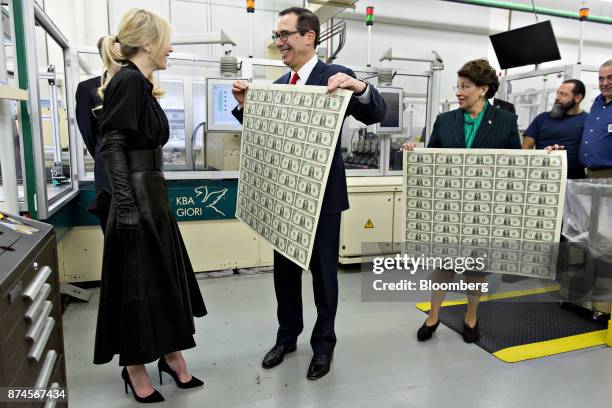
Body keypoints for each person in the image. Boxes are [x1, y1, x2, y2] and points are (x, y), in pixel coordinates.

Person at [231, 7, 386, 380]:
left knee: (323, 277)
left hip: (324, 199)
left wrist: (360, 87)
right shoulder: (282, 83)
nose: (279, 42)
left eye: (284, 34)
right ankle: (286, 338)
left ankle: (324, 345)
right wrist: (244, 106)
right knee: (283, 275)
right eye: (277, 35)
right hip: (284, 197)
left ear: (308, 36)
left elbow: (376, 111)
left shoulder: (335, 76)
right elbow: (265, 134)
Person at [93, 9, 206, 403]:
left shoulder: (139, 84)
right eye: (167, 41)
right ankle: (135, 366)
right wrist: (126, 204)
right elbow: (112, 145)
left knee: (161, 281)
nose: (170, 48)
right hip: (137, 198)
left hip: (151, 195)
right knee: (138, 287)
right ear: (147, 44)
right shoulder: (127, 81)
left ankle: (171, 355)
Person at [404, 59, 520, 343]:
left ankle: (471, 316)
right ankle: (433, 316)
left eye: (465, 86)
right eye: (457, 86)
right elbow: (432, 160)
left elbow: (518, 164)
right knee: (443, 263)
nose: (458, 92)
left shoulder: (505, 121)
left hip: (483, 207)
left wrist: (549, 158)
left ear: (483, 89)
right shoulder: (445, 120)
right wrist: (414, 152)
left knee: (475, 266)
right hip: (449, 205)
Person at [75, 37, 121, 231]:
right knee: (112, 225)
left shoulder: (136, 85)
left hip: (136, 166)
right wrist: (104, 155)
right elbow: (88, 133)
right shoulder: (88, 89)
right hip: (107, 166)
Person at [523, 79, 588, 179]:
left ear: (578, 97)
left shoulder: (588, 121)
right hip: (541, 177)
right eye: (557, 93)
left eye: (563, 94)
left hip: (575, 181)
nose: (557, 98)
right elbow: (526, 147)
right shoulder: (542, 118)